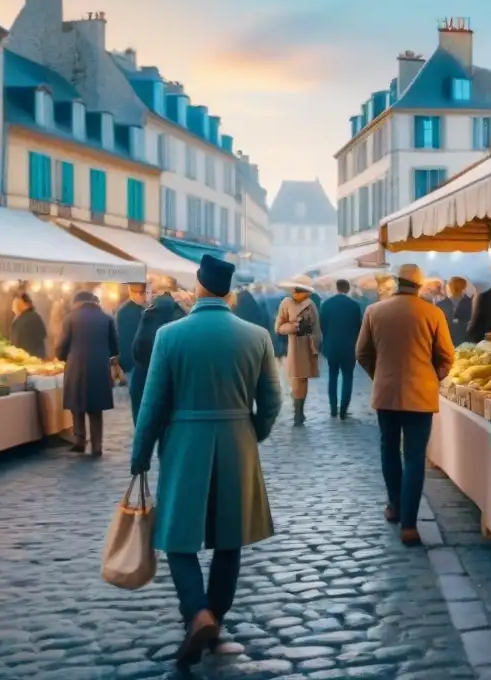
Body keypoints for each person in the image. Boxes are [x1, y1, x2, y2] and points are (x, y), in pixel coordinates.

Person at [131, 255, 281, 667]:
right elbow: (271, 401)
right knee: (229, 538)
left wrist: (140, 453)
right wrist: (251, 433)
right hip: (237, 440)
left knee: (177, 536)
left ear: (197, 285)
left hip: (184, 443)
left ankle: (197, 612)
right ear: (229, 291)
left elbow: (153, 402)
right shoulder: (256, 336)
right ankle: (215, 619)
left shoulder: (170, 334)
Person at [356, 264, 455, 546]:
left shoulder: (374, 311)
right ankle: (409, 525)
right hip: (420, 395)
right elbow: (447, 356)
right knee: (414, 457)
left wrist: (380, 376)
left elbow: (362, 352)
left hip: (386, 394)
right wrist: (431, 377)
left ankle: (394, 506)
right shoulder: (433, 313)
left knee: (388, 449)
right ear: (420, 285)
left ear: (396, 282)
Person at [56, 291, 119, 456]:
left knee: (77, 405)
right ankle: (97, 445)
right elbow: (115, 347)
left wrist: (62, 357)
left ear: (77, 302)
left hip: (75, 367)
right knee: (96, 408)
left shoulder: (70, 318)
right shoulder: (107, 319)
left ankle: (79, 440)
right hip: (99, 367)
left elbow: (62, 345)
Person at [130, 281, 186, 425]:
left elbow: (138, 350)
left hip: (146, 379)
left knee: (144, 427)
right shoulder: (183, 313)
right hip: (175, 383)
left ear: (155, 293)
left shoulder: (150, 313)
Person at [274, 281, 322, 426]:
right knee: (296, 379)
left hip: (308, 345)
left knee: (303, 379)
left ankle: (300, 412)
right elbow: (278, 327)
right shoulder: (286, 303)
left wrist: (316, 344)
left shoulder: (311, 304)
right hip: (294, 345)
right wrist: (294, 326)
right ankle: (298, 413)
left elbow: (316, 327)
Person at [319, 279, 363, 420]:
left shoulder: (326, 304)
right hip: (349, 347)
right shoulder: (355, 306)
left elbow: (322, 326)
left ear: (336, 288)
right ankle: (343, 410)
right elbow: (359, 327)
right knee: (348, 377)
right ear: (348, 289)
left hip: (331, 346)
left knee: (332, 377)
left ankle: (333, 408)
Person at [114, 283, 147, 408]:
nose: (141, 296)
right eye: (138, 293)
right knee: (138, 400)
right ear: (130, 292)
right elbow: (123, 340)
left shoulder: (141, 309)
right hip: (132, 363)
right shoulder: (124, 312)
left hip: (137, 362)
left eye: (142, 293)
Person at [436, 276, 473, 348]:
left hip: (446, 341)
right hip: (466, 342)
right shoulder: (471, 303)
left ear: (450, 287)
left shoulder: (441, 304)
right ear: (464, 287)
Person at [10, 292, 48, 359]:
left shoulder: (28, 318)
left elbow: (17, 341)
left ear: (22, 302)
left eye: (15, 303)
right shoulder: (33, 317)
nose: (13, 307)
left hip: (28, 360)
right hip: (32, 358)